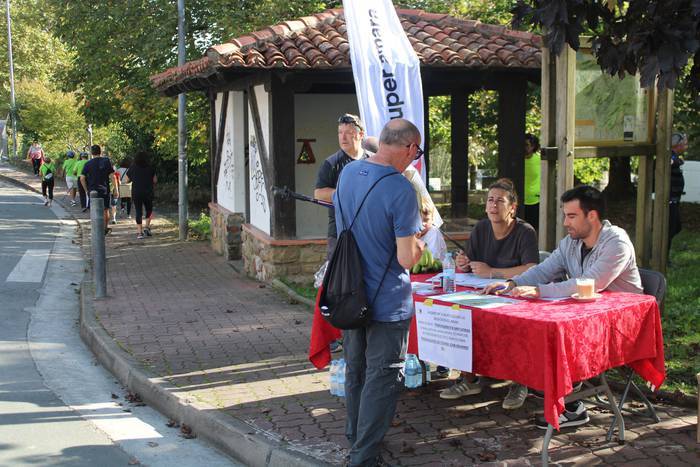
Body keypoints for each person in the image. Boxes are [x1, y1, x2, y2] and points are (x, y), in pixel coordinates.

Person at [484, 184, 642, 429]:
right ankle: (562, 395)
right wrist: (511, 283)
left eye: (571, 216)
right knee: (536, 326)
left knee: (554, 337)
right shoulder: (571, 241)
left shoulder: (617, 243)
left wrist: (539, 291)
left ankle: (568, 401)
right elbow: (544, 270)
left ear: (592, 216)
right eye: (564, 215)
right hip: (584, 319)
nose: (565, 223)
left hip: (619, 329)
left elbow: (589, 283)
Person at [336, 118, 425, 467]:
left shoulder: (348, 174)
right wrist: (419, 238)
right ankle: (364, 456)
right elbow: (406, 258)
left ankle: (356, 441)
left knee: (355, 371)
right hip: (387, 300)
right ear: (408, 148)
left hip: (349, 292)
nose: (414, 160)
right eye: (416, 153)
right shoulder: (401, 189)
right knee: (383, 377)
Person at [439, 178, 538, 409]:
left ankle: (520, 382)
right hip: (481, 293)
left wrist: (493, 272)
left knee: (516, 327)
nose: (493, 205)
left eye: (500, 201)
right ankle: (469, 378)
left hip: (515, 296)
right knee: (461, 317)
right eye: (490, 200)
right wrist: (463, 263)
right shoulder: (482, 228)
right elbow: (469, 263)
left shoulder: (525, 231)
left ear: (513, 207)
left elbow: (532, 268)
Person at [315, 113, 369, 354]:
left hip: (369, 231)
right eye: (340, 133)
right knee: (339, 283)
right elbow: (319, 194)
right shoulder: (332, 163)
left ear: (360, 134)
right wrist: (347, 191)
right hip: (339, 233)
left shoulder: (372, 160)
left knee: (365, 280)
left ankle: (364, 324)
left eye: (348, 133)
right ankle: (337, 332)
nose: (343, 137)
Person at [80, 144, 118, 234]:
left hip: (93, 190)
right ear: (100, 152)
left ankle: (96, 228)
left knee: (93, 209)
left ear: (91, 153)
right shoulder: (106, 161)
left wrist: (86, 190)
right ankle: (105, 228)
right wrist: (116, 189)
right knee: (105, 209)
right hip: (104, 189)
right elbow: (113, 176)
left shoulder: (88, 164)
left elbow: (82, 178)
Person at [123, 151, 157, 240]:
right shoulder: (150, 167)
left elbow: (126, 180)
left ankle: (139, 232)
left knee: (138, 211)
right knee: (149, 210)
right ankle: (147, 227)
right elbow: (155, 180)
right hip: (148, 192)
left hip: (136, 192)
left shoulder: (133, 167)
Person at [669, 132, 687, 253]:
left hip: (674, 199)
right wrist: (678, 161)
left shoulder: (675, 157)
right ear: (677, 145)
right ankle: (660, 255)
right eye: (684, 144)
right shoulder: (671, 156)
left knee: (676, 227)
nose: (686, 146)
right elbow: (669, 162)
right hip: (669, 200)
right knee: (670, 229)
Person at [523, 133, 541, 229]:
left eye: (526, 145)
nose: (524, 148)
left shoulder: (540, 159)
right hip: (519, 201)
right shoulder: (517, 160)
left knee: (534, 230)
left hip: (536, 202)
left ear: (533, 146)